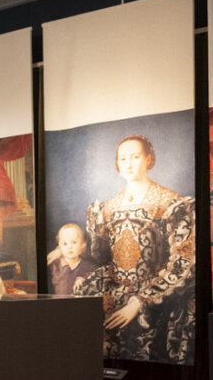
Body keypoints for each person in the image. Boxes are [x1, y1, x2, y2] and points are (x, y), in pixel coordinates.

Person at [74, 135, 195, 363]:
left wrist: (140, 301)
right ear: (117, 164)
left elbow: (183, 261)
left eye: (135, 157)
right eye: (123, 159)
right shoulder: (107, 207)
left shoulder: (170, 202)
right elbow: (101, 258)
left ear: (148, 159)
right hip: (117, 288)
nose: (128, 164)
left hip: (154, 292)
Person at [48, 223, 94, 295]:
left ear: (82, 244)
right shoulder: (53, 267)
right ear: (59, 245)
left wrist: (85, 281)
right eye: (65, 244)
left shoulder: (88, 267)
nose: (69, 247)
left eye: (74, 242)